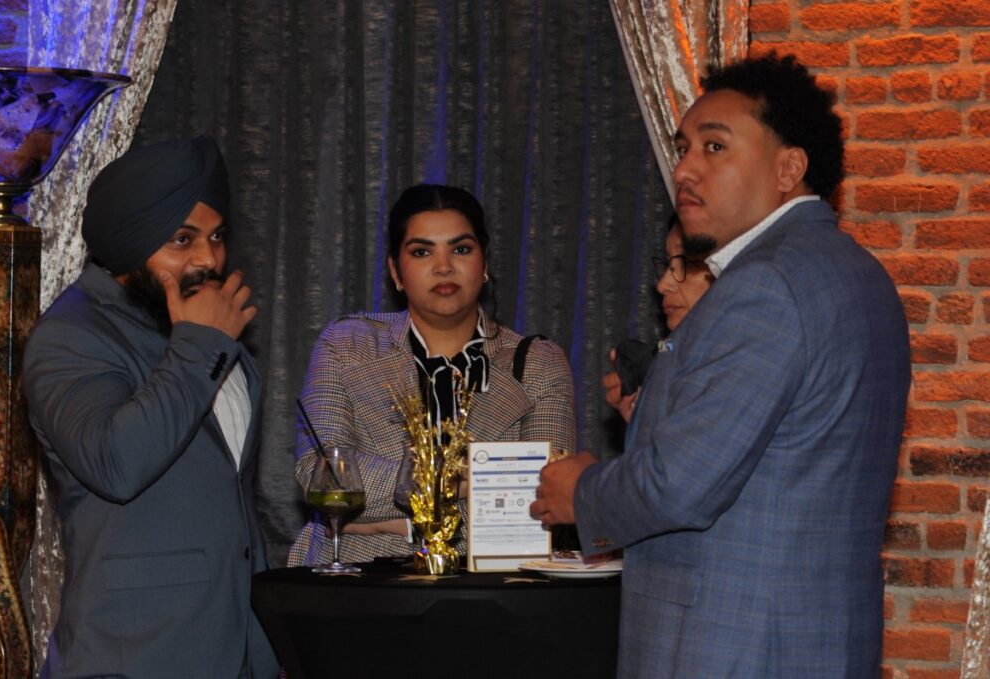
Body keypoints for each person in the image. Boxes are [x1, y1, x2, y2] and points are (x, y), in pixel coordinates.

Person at [531, 54, 911, 676]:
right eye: (683, 148)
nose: (684, 168)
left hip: (733, 646)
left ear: (789, 168)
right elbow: (785, 450)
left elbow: (681, 486)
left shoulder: (765, 285)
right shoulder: (857, 273)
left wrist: (583, 492)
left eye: (715, 146)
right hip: (810, 642)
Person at [23, 137, 279, 678]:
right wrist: (202, 345)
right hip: (135, 653)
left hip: (236, 651)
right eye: (182, 239)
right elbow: (116, 464)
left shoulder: (203, 328)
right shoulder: (72, 335)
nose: (208, 258)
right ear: (130, 239)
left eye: (216, 236)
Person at [288, 183, 577, 567]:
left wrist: (400, 523)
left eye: (461, 249)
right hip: (357, 581)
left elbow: (546, 502)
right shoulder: (348, 345)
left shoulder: (538, 362)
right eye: (422, 252)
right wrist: (465, 480)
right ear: (396, 271)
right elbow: (321, 475)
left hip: (492, 587)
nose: (443, 267)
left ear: (484, 263)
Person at [603, 217, 714, 422]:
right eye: (669, 266)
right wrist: (641, 421)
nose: (662, 285)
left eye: (685, 264)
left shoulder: (751, 362)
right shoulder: (669, 352)